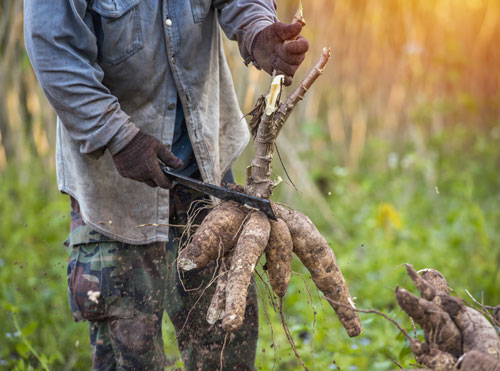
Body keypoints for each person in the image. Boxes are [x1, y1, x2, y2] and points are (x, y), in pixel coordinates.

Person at [24, 0, 308, 369]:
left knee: (226, 348)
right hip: (116, 193)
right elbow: (54, 50)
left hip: (206, 178)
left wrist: (257, 30)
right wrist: (118, 136)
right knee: (130, 356)